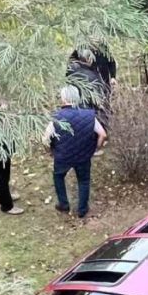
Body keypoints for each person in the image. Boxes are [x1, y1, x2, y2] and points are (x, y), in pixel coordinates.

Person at [49, 85, 106, 218]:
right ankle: (82, 210)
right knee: (84, 180)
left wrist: (51, 151)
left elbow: (45, 138)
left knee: (58, 177)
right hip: (83, 156)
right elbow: (103, 134)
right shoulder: (89, 114)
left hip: (63, 156)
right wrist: (95, 149)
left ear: (63, 99)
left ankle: (63, 204)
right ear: (78, 98)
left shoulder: (57, 116)